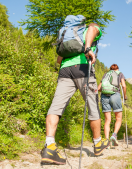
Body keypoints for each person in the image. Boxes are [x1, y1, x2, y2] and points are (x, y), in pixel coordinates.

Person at [41, 20, 110, 165]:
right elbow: (92, 30)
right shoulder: (89, 28)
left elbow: (60, 59)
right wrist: (87, 48)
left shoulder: (67, 35)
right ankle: (97, 143)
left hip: (65, 70)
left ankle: (50, 147)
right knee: (92, 106)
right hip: (83, 68)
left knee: (56, 107)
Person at [97, 64, 127, 147]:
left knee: (107, 120)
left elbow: (99, 88)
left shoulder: (106, 74)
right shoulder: (120, 73)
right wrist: (124, 96)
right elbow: (123, 86)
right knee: (118, 118)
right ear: (118, 69)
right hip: (115, 95)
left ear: (110, 69)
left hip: (104, 96)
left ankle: (106, 141)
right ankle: (114, 135)